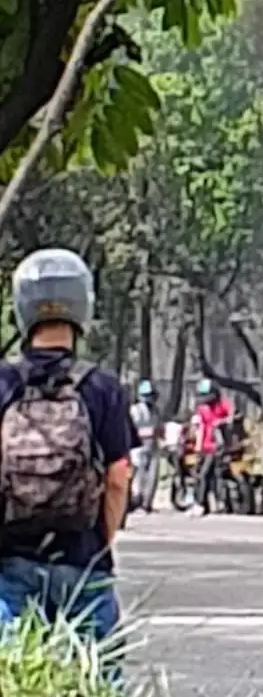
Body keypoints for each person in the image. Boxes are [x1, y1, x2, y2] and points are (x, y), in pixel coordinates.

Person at [0, 249, 136, 654]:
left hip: (11, 559)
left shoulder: (4, 382)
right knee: (98, 679)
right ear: (83, 307)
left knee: (12, 676)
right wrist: (102, 541)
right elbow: (117, 479)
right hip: (84, 559)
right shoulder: (102, 387)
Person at [192, 378, 233, 516]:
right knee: (204, 475)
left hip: (218, 445)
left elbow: (232, 416)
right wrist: (198, 448)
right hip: (204, 446)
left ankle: (202, 503)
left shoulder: (223, 405)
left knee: (211, 474)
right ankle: (207, 503)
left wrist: (222, 422)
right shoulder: (201, 409)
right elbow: (199, 429)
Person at [129, 379, 161, 513]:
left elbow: (159, 426)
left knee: (153, 475)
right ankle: (137, 502)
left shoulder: (156, 410)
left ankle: (147, 503)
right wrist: (148, 432)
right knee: (139, 476)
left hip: (153, 445)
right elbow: (131, 429)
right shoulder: (136, 410)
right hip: (139, 446)